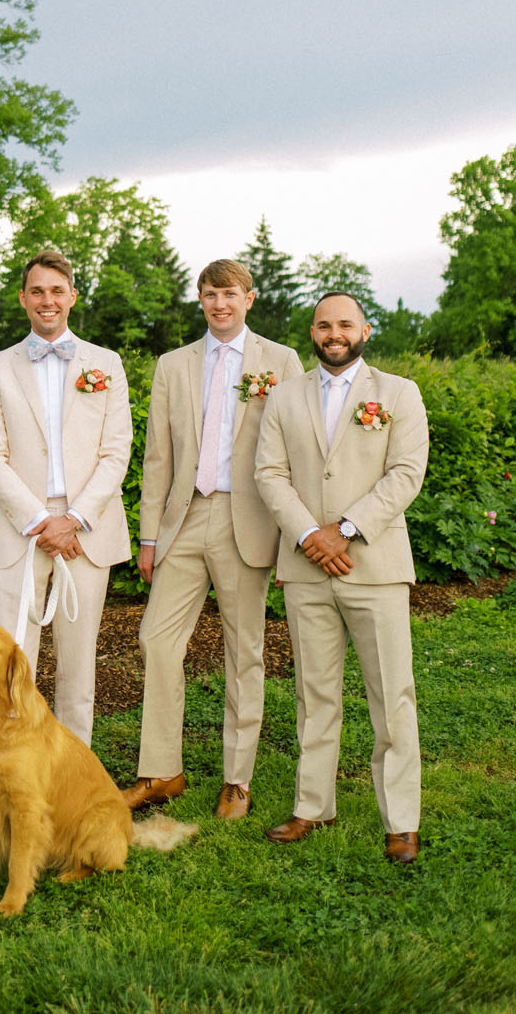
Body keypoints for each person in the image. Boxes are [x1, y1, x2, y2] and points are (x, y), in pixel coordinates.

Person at [124, 259, 303, 820]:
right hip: (184, 518)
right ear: (199, 299)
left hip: (246, 520)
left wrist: (292, 528)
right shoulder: (173, 365)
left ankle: (237, 778)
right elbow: (158, 458)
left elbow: (299, 448)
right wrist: (149, 536)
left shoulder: (281, 362)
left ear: (249, 298)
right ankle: (161, 770)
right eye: (209, 294)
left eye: (229, 293)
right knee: (156, 639)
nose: (219, 303)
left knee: (244, 649)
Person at [255, 292, 429, 864]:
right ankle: (313, 806)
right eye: (325, 324)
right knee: (314, 694)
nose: (335, 333)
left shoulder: (398, 393)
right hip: (306, 569)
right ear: (312, 331)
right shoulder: (285, 396)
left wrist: (346, 530)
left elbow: (406, 474)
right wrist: (311, 535)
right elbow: (270, 473)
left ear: (365, 330)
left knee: (392, 695)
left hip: (374, 567)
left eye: (346, 324)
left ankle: (401, 819)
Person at [0, 249, 132, 745]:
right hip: (21, 528)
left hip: (87, 530)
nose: (48, 300)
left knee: (78, 665)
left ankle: (72, 775)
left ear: (72, 297)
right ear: (23, 299)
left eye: (57, 290)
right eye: (37, 291)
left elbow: (116, 452)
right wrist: (42, 519)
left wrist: (75, 519)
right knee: (9, 662)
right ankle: (9, 769)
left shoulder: (105, 364)